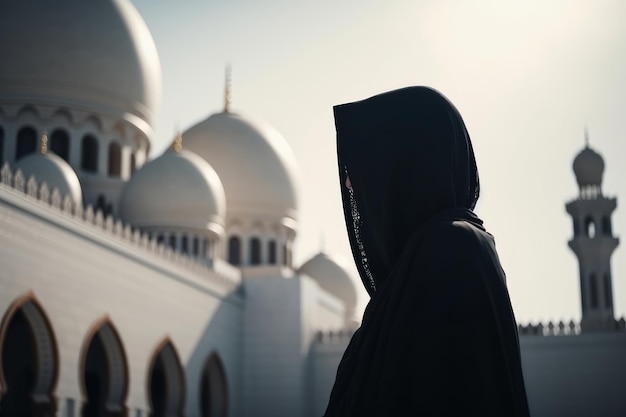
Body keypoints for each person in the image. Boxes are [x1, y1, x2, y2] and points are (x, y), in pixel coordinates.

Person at [324, 86, 530, 416]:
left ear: (408, 166)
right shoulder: (410, 279)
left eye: (368, 166)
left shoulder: (453, 252)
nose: (350, 185)